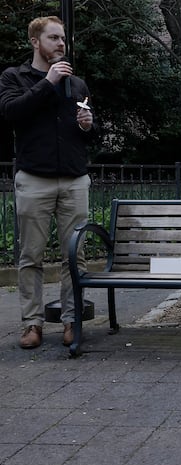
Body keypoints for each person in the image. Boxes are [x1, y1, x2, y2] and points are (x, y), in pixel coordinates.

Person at [0, 16, 97, 349]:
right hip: (34, 179)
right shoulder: (15, 77)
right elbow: (12, 113)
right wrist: (48, 83)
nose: (61, 44)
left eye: (63, 39)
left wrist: (87, 125)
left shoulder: (78, 84)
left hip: (74, 180)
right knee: (31, 256)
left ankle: (72, 321)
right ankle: (32, 324)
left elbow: (86, 136)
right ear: (34, 41)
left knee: (76, 256)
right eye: (53, 38)